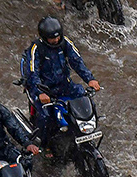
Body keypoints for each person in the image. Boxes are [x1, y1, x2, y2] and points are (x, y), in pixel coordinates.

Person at [22, 16, 101, 148]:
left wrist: (90, 79)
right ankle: (44, 145)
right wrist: (40, 92)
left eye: (57, 37)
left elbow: (77, 61)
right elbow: (32, 72)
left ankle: (85, 129)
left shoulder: (65, 43)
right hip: (44, 90)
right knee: (45, 117)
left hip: (64, 85)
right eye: (52, 38)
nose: (56, 40)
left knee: (84, 97)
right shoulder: (36, 48)